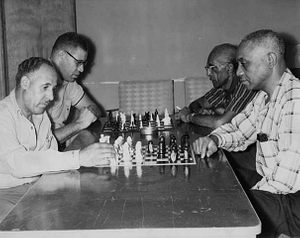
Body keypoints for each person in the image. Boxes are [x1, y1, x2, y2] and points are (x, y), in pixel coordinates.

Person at [192, 29, 300, 237]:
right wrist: (214, 139)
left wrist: (244, 199)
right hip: (276, 191)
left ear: (270, 59)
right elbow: (239, 130)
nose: (239, 72)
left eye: (244, 63)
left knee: (220, 211)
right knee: (219, 191)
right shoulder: (263, 97)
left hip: (293, 202)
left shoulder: (295, 100)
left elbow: (285, 181)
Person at [0, 57, 115, 219]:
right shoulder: (3, 115)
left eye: (53, 88)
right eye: (45, 87)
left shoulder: (41, 115)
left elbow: (52, 157)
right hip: (6, 195)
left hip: (37, 187)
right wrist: (78, 157)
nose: (51, 96)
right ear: (25, 83)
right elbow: (18, 164)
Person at [176, 43, 257, 129]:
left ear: (229, 68)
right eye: (207, 69)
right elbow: (195, 104)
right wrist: (200, 111)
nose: (208, 74)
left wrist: (189, 117)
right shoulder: (221, 89)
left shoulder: (245, 86)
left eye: (213, 68)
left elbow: (220, 123)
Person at [47, 32, 101, 150]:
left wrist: (86, 115)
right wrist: (79, 124)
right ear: (61, 55)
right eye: (78, 62)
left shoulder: (68, 82)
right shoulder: (40, 82)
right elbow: (43, 141)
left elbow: (94, 108)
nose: (81, 69)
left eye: (83, 63)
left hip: (58, 149)